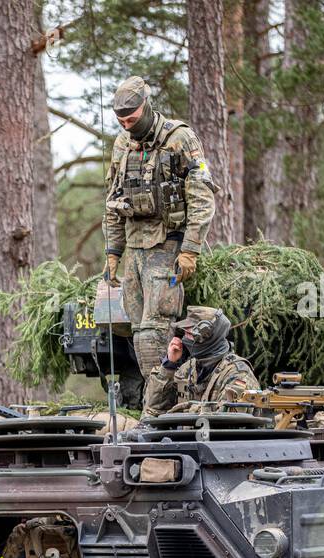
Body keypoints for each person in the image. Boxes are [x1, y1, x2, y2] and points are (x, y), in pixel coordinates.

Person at [103, 76, 217, 379]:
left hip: (168, 245)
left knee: (156, 328)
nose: (127, 126)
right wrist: (113, 252)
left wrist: (190, 250)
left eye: (132, 119)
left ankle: (165, 400)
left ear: (146, 107)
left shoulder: (180, 138)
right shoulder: (122, 145)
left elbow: (202, 198)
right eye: (122, 121)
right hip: (135, 248)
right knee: (137, 328)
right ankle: (153, 398)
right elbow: (113, 201)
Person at [141, 307, 258, 417]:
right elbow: (153, 410)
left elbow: (230, 422)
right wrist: (169, 366)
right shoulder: (188, 368)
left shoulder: (238, 374)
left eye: (190, 334)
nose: (184, 339)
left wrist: (184, 410)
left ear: (207, 337)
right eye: (184, 333)